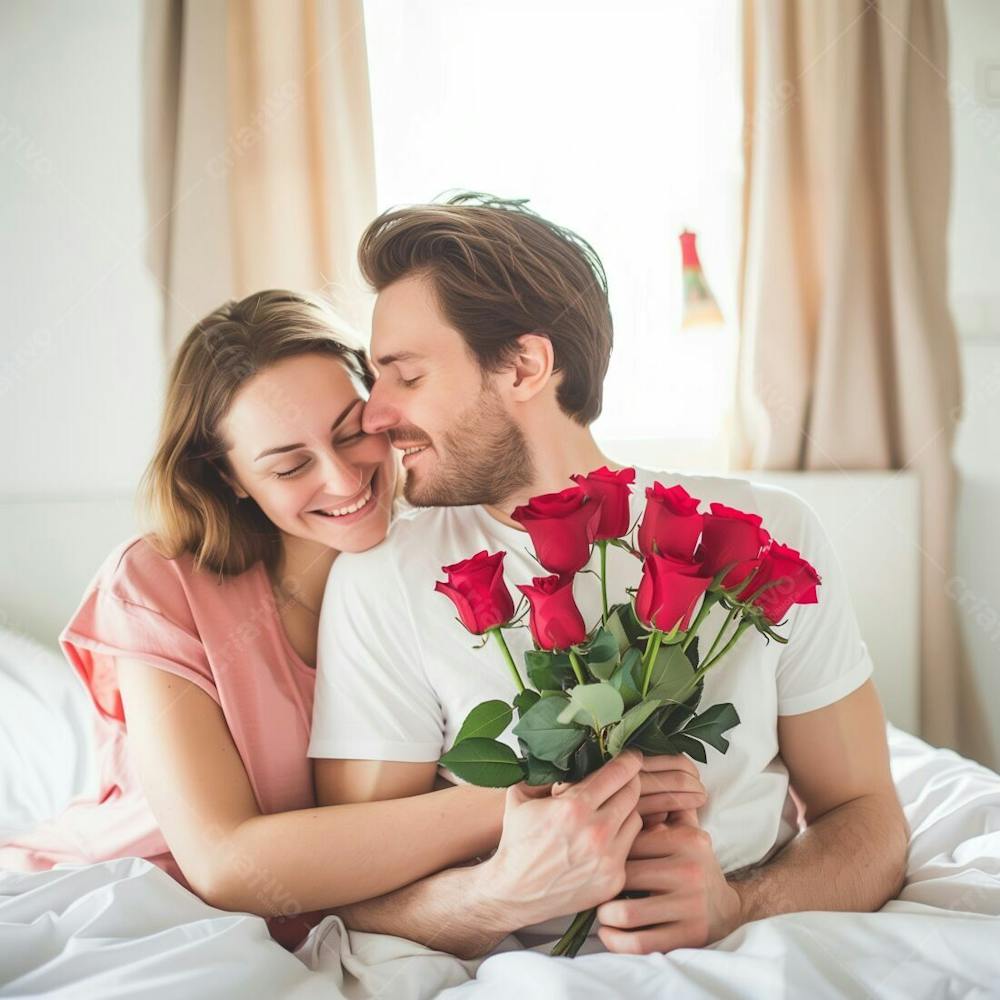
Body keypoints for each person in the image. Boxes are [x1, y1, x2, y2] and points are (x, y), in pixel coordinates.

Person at [0, 289, 701, 949]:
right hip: (149, 900)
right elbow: (223, 862)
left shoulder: (437, 558)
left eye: (349, 433)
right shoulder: (158, 586)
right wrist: (550, 786)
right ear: (226, 478)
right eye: (288, 464)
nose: (342, 480)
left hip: (353, 918)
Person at [308, 193, 910, 958]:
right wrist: (496, 895)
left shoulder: (770, 533)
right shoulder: (381, 579)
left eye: (405, 377)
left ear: (525, 366)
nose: (375, 414)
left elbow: (869, 816)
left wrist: (740, 905)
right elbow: (353, 893)